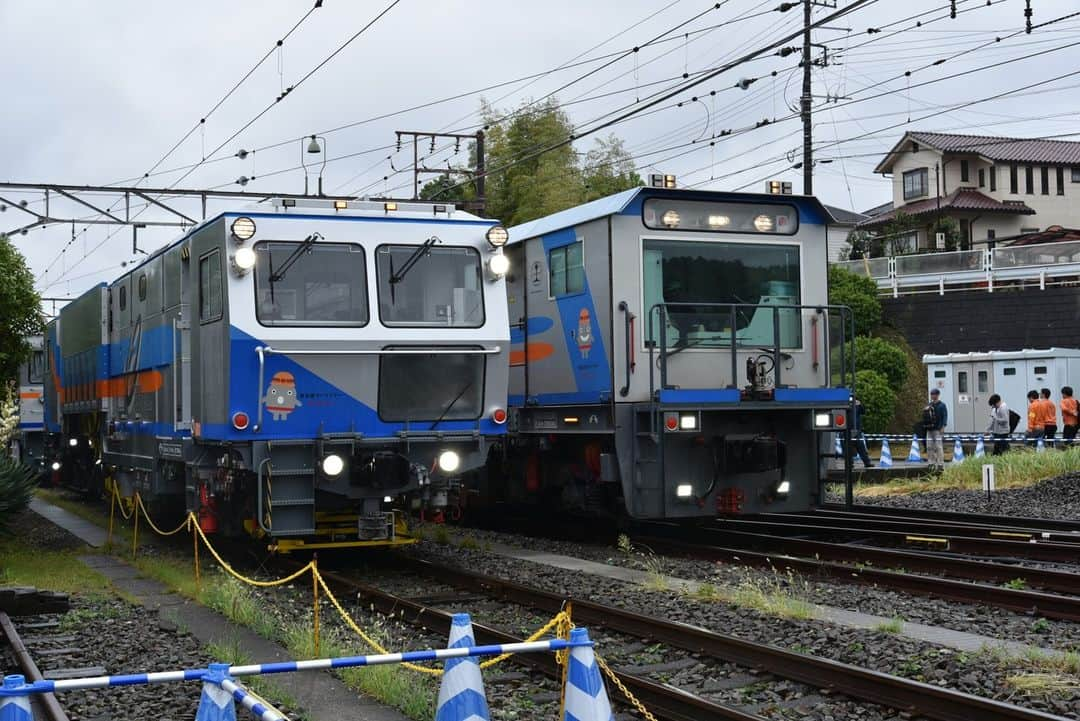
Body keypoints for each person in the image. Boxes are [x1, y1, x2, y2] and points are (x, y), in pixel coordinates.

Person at [924, 388, 948, 471]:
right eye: (931, 394)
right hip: (929, 429)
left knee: (938, 447)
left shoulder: (942, 405)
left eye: (934, 394)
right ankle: (931, 462)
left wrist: (943, 427)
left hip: (938, 429)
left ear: (938, 395)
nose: (932, 396)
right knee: (929, 447)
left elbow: (945, 416)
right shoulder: (929, 405)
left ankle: (940, 463)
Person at [848, 398, 873, 468]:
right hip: (847, 430)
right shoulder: (845, 404)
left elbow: (863, 411)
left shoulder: (857, 405)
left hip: (857, 430)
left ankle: (867, 462)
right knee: (848, 448)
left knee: (861, 446)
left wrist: (860, 404)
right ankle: (850, 464)